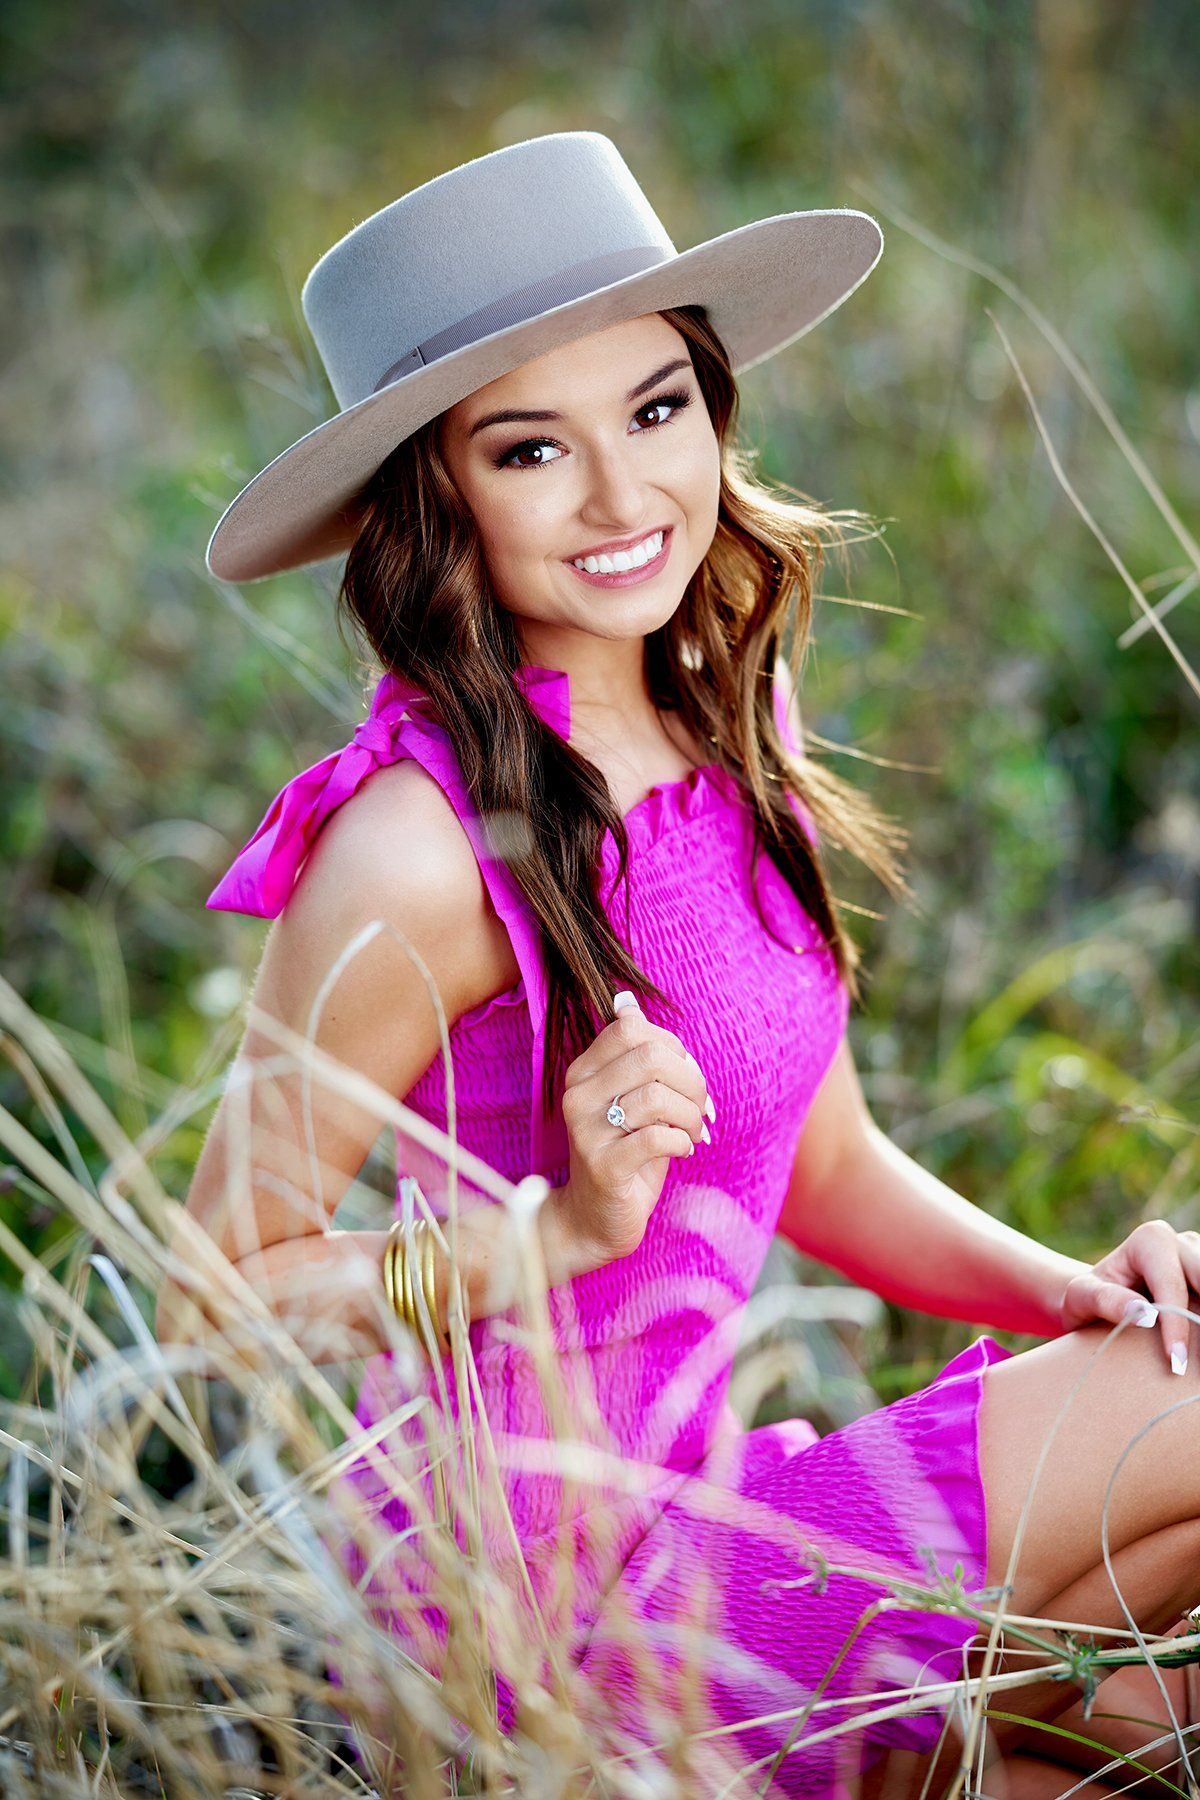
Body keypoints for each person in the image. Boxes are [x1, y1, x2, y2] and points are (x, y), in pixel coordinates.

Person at [159, 132, 1200, 1796]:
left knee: (1139, 1739)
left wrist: (1077, 1295)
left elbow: (832, 1164)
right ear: (438, 498)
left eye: (656, 411)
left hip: (721, 1511)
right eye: (529, 450)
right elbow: (212, 1284)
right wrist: (547, 1237)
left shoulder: (734, 723)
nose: (623, 495)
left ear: (715, 406)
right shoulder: (419, 844)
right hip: (533, 1614)